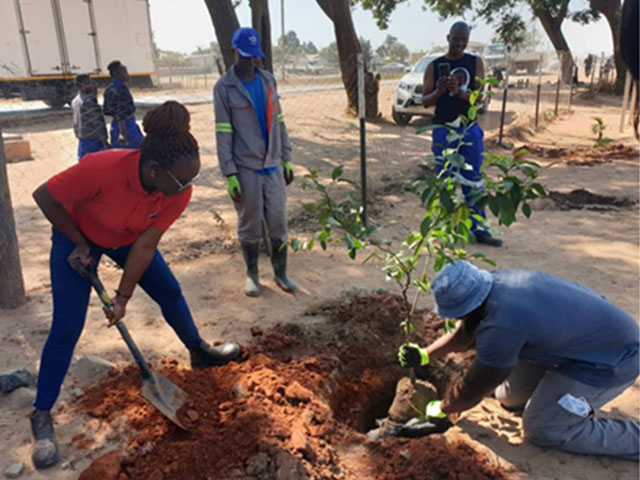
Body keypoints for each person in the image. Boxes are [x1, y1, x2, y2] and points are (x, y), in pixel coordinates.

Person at [30, 101, 240, 469]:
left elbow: (145, 244)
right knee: (67, 327)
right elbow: (44, 196)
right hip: (76, 237)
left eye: (191, 180)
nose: (187, 190)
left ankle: (198, 351)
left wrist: (123, 297)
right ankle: (42, 413)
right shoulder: (101, 167)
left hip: (128, 238)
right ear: (154, 169)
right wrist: (79, 242)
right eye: (182, 181)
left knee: (169, 291)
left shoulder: (177, 190)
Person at [398, 260, 639, 460]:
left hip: (610, 360)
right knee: (508, 396)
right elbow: (465, 331)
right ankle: (553, 395)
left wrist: (443, 408)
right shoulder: (493, 285)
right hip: (573, 346)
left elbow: (476, 385)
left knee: (542, 429)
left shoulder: (503, 326)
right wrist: (425, 354)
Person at [214, 27, 296, 297]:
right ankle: (252, 275)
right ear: (233, 52)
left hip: (272, 165)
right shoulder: (224, 88)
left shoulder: (269, 81)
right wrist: (229, 173)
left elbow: (280, 121)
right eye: (246, 56)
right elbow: (223, 132)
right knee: (249, 225)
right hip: (246, 168)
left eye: (255, 57)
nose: (251, 62)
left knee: (278, 222)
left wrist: (287, 158)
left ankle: (281, 274)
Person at [421, 22, 502, 247]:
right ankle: (445, 228)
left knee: (473, 180)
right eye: (455, 39)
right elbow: (426, 101)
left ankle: (479, 230)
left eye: (463, 40)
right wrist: (439, 90)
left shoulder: (474, 62)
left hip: (468, 129)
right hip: (442, 130)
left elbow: (479, 98)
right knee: (444, 180)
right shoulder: (434, 65)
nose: (458, 44)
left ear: (467, 40)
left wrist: (459, 92)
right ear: (448, 37)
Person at [103, 60, 144, 148]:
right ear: (116, 74)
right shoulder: (121, 89)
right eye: (124, 72)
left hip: (114, 126)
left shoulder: (108, 89)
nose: (127, 75)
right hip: (127, 127)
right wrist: (122, 133)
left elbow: (106, 110)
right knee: (137, 150)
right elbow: (122, 112)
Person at [71, 74, 108, 160]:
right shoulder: (88, 101)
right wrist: (104, 140)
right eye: (88, 83)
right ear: (80, 86)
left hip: (83, 138)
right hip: (94, 139)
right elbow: (97, 123)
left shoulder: (75, 101)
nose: (92, 85)